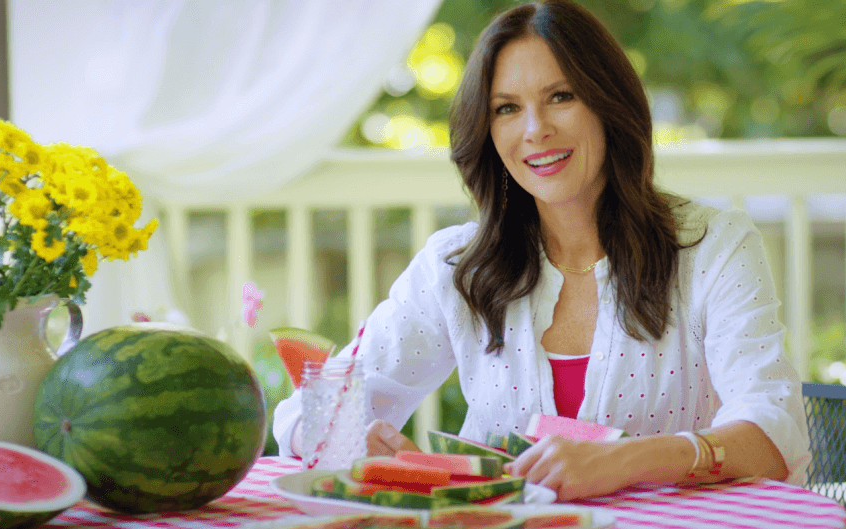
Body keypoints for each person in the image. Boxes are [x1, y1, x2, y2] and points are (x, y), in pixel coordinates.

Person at [273, 0, 810, 501]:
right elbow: (308, 411)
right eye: (507, 108)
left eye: (561, 96)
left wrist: (624, 461)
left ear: (607, 103)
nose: (535, 130)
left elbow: (773, 433)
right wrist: (359, 446)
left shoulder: (714, 247)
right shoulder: (455, 267)